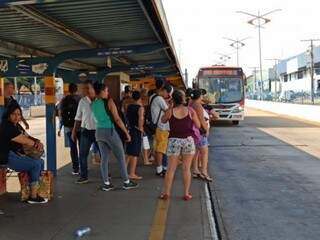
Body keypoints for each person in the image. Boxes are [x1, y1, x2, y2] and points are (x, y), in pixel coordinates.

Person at [91, 82, 138, 191]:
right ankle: (126, 182)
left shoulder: (93, 104)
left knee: (104, 158)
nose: (108, 93)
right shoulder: (109, 102)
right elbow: (117, 119)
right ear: (102, 91)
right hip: (110, 131)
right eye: (106, 90)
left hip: (99, 132)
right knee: (121, 156)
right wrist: (126, 132)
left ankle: (106, 184)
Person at [0, 104, 47, 204]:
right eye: (13, 114)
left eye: (19, 114)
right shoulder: (6, 126)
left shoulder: (16, 125)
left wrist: (37, 141)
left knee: (41, 162)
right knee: (36, 164)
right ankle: (33, 197)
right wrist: (35, 144)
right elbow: (24, 140)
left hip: (14, 154)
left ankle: (33, 191)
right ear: (8, 115)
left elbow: (27, 136)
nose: (17, 117)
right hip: (6, 157)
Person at [160, 90, 200, 201]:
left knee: (171, 169)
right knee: (186, 168)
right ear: (183, 99)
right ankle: (186, 193)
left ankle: (166, 193)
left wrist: (170, 107)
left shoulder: (170, 111)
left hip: (174, 141)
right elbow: (198, 125)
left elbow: (163, 120)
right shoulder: (191, 111)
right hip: (188, 140)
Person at [72, 80, 98, 184]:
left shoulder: (100, 100)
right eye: (84, 88)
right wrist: (74, 131)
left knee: (103, 153)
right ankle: (84, 176)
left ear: (93, 89)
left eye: (88, 88)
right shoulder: (82, 101)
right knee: (82, 154)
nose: (86, 90)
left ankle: (105, 173)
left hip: (99, 131)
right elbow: (78, 118)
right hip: (86, 132)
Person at [58, 83, 81, 175]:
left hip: (68, 128)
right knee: (82, 147)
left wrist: (60, 127)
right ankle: (83, 167)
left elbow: (60, 114)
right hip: (80, 127)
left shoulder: (64, 100)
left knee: (73, 147)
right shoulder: (80, 99)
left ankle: (75, 169)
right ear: (76, 90)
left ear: (69, 90)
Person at [150, 79, 172, 176]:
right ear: (163, 90)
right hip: (162, 127)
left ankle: (162, 168)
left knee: (160, 148)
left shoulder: (152, 97)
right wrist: (171, 103)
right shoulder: (159, 99)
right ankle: (159, 170)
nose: (167, 95)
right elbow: (168, 110)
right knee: (160, 149)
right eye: (167, 93)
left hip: (157, 127)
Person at [190, 89, 213, 181]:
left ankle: (195, 170)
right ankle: (204, 171)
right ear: (199, 96)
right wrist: (206, 129)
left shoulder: (191, 104)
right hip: (200, 131)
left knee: (196, 151)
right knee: (204, 152)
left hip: (194, 131)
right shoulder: (197, 105)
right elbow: (201, 119)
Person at [126, 91, 144, 180]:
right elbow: (141, 119)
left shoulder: (128, 106)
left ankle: (124, 170)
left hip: (130, 129)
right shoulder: (140, 108)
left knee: (129, 152)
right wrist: (141, 129)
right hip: (136, 130)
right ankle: (132, 173)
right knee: (135, 153)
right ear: (140, 98)